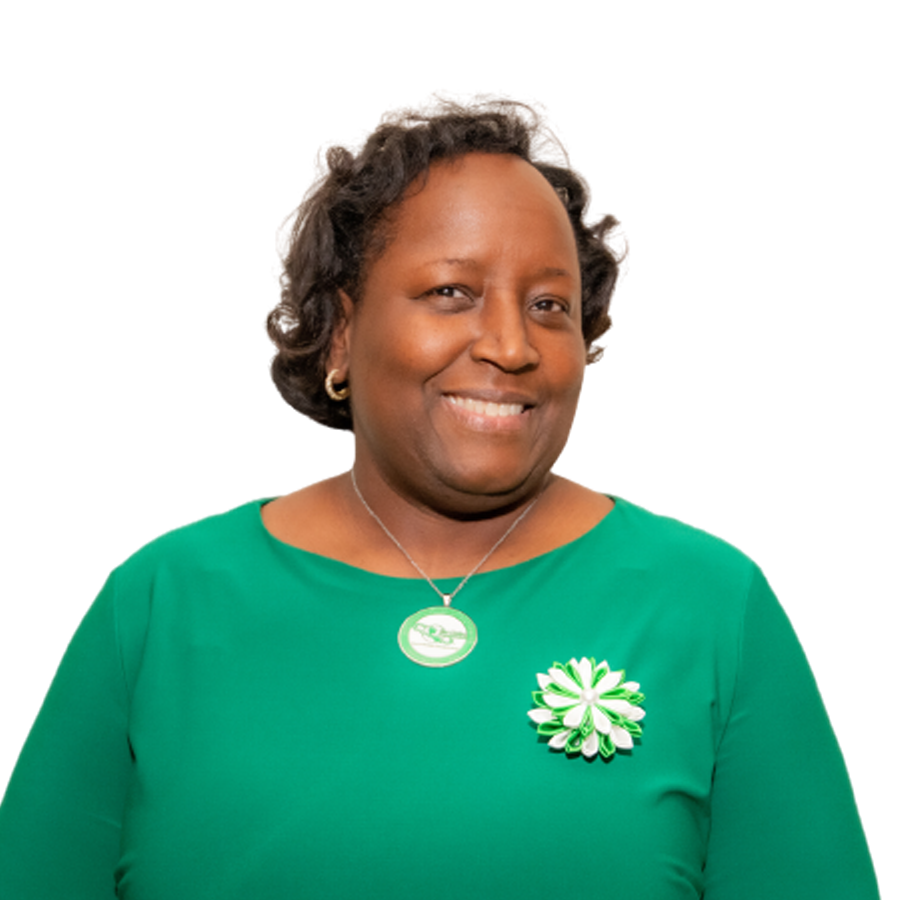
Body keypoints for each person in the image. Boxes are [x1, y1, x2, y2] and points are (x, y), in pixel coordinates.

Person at [0, 113, 877, 899]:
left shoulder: (711, 606)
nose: (510, 344)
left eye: (550, 306)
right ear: (342, 332)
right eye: (451, 292)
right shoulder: (162, 603)